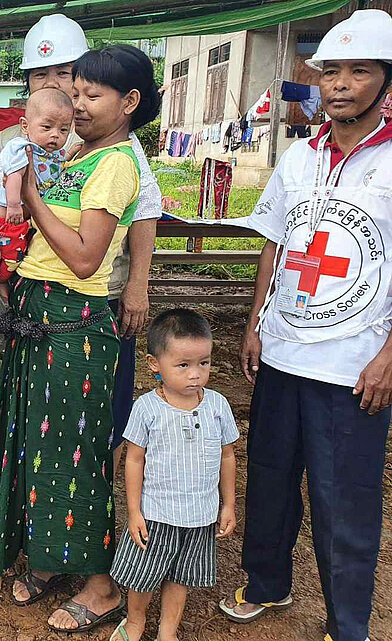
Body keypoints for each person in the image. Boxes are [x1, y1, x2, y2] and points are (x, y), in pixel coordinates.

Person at [219, 10, 392, 641]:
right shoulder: (299, 157)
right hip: (283, 352)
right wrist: (255, 322)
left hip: (354, 365)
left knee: (343, 501)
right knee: (269, 481)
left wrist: (389, 357)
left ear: (385, 82)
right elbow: (274, 246)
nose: (341, 84)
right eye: (331, 72)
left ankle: (348, 625)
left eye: (359, 71)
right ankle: (267, 584)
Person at [0, 43, 162, 634]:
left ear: (128, 102)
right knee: (35, 441)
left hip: (75, 323)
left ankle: (100, 583)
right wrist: (5, 240)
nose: (77, 104)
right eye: (75, 92)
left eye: (91, 95)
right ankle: (47, 554)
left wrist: (32, 200)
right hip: (36, 311)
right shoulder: (73, 151)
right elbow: (38, 233)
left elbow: (85, 258)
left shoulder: (116, 164)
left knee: (75, 452)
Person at [0, 14, 162, 483]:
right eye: (42, 75)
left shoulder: (107, 141)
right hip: (37, 289)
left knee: (99, 403)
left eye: (66, 73)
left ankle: (101, 483)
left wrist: (138, 286)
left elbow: (144, 212)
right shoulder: (12, 140)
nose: (58, 86)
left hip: (98, 292)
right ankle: (41, 490)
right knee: (44, 403)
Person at [110, 309, 238, 641]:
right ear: (155, 364)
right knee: (143, 576)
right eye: (183, 365)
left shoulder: (217, 406)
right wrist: (134, 511)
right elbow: (133, 460)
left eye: (204, 363)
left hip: (200, 517)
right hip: (156, 515)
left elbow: (227, 455)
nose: (195, 374)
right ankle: (135, 621)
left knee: (180, 577)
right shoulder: (147, 408)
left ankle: (168, 630)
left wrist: (228, 505)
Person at [0, 88, 74, 287]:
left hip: (28, 218)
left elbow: (55, 172)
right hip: (10, 218)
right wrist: (13, 205)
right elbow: (13, 177)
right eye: (47, 127)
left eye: (63, 130)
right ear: (25, 126)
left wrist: (70, 154)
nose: (55, 135)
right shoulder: (21, 148)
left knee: (22, 251)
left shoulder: (52, 152)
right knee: (14, 257)